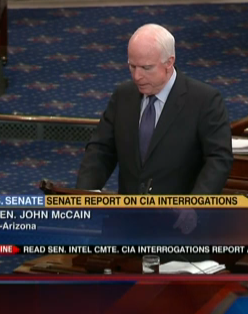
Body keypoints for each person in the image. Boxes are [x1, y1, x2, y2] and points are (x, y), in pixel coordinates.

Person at [76, 23, 233, 197]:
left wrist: (194, 206)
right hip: (129, 209)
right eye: (132, 66)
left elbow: (218, 159)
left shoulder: (204, 100)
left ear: (169, 62)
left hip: (178, 210)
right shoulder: (123, 96)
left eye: (146, 68)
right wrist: (84, 194)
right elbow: (101, 150)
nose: (137, 76)